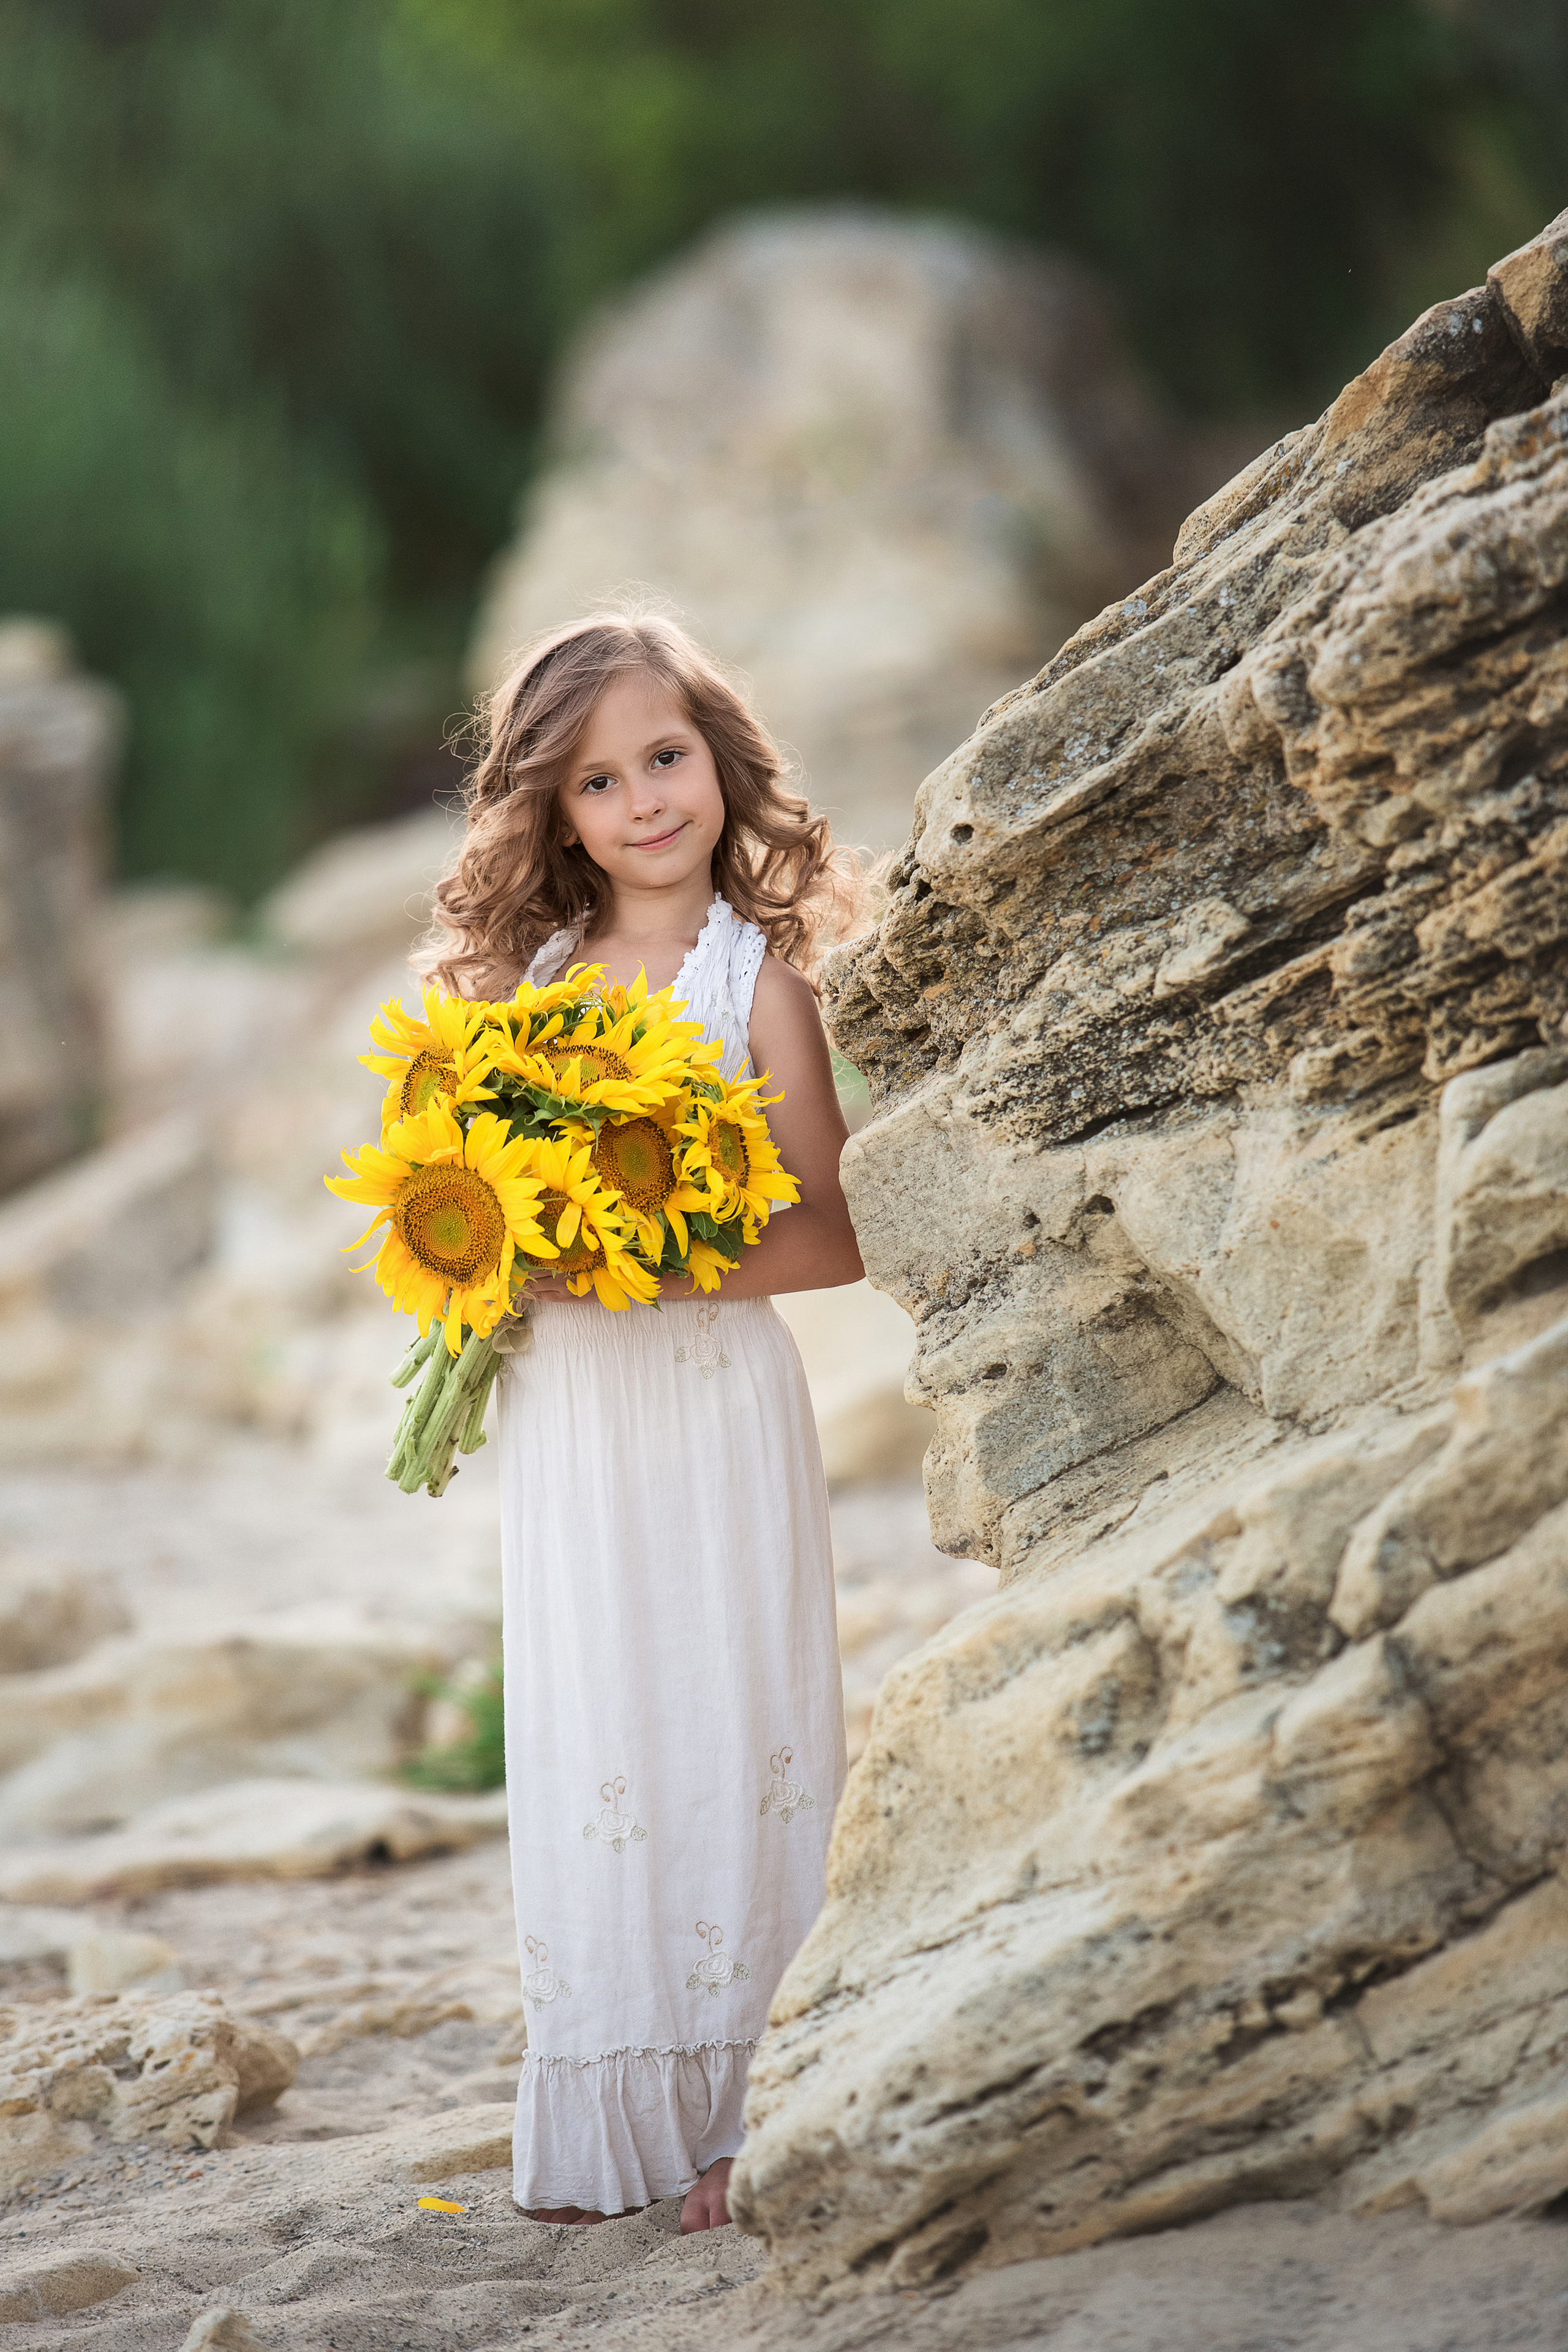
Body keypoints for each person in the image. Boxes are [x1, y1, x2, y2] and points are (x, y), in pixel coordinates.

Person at [424, 611, 866, 2233]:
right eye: (599, 779)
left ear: (719, 761)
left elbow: (834, 1227)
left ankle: (755, 2110)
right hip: (575, 1431)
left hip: (705, 1398)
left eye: (665, 757)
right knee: (599, 1720)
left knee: (731, 1710)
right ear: (554, 811)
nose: (644, 801)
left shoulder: (760, 987)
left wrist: (656, 1253)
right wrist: (496, 1252)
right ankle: (613, 2104)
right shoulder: (529, 988)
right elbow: (483, 1200)